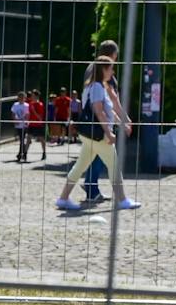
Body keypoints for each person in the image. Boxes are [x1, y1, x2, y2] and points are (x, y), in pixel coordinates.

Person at [57, 55, 138, 212]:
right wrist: (109, 132)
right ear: (103, 70)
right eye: (111, 68)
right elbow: (99, 111)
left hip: (91, 135)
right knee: (114, 165)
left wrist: (121, 124)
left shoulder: (95, 86)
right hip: (98, 135)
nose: (113, 72)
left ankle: (63, 198)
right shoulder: (97, 87)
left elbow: (108, 111)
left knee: (80, 166)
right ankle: (122, 200)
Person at [10, 92, 31, 162]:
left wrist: (26, 121)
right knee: (21, 139)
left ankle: (21, 154)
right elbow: (13, 113)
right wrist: (15, 120)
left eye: (23, 97)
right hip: (18, 124)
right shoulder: (15, 105)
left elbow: (28, 114)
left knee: (22, 139)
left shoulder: (27, 105)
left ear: (25, 98)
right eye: (20, 97)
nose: (21, 99)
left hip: (24, 124)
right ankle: (22, 153)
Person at [27, 91, 48, 160]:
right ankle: (25, 154)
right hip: (31, 124)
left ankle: (44, 153)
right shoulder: (30, 104)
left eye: (33, 95)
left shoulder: (40, 104)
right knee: (28, 139)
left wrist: (34, 110)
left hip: (38, 124)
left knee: (42, 139)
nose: (31, 97)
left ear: (36, 96)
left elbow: (40, 117)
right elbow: (29, 114)